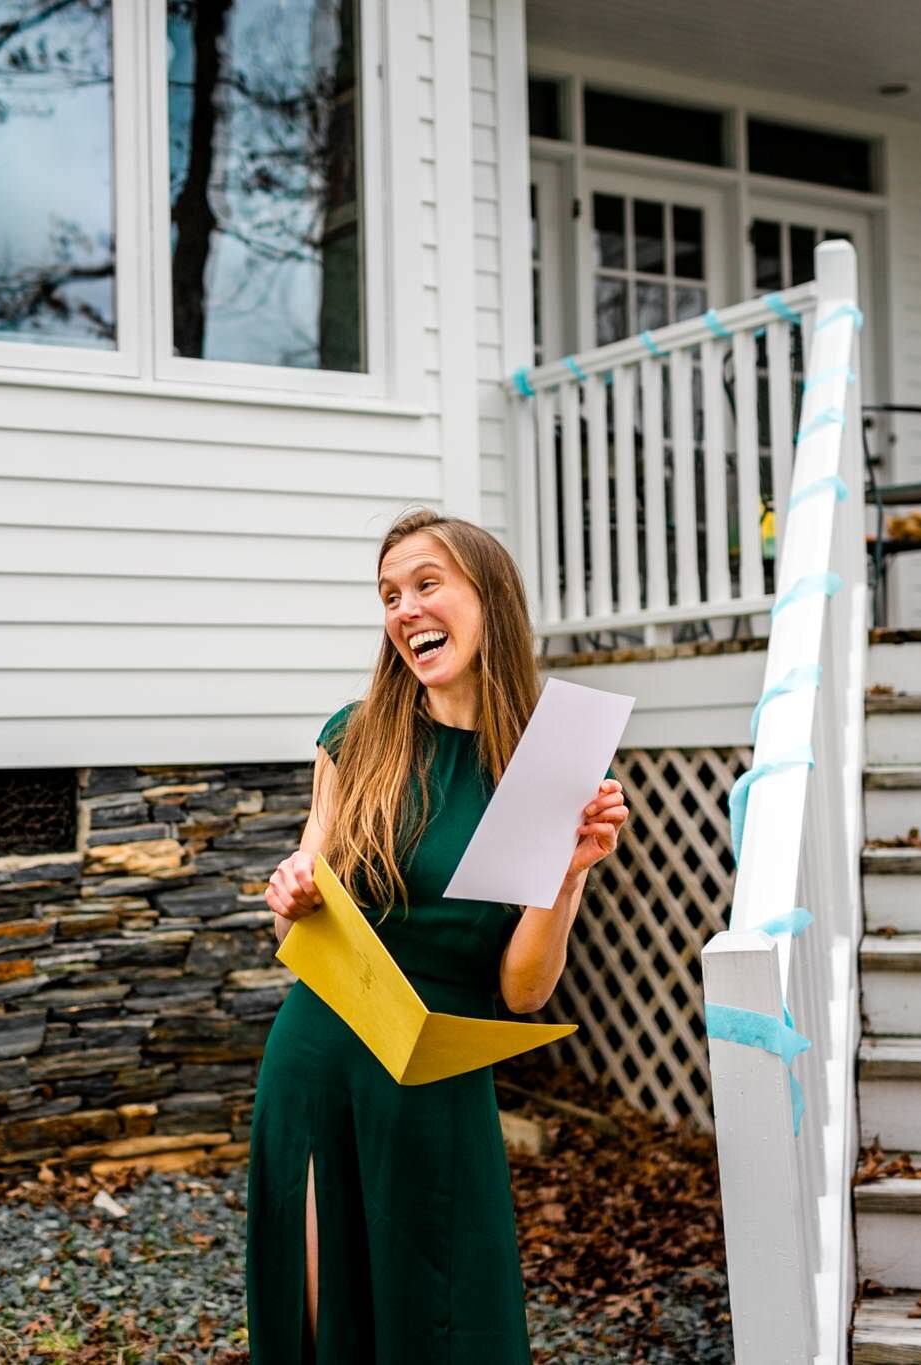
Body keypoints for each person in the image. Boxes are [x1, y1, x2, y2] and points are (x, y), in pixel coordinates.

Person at [245, 508, 628, 1364]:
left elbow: (523, 990)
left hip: (436, 1074)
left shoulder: (545, 766)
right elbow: (296, 900)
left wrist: (567, 876)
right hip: (321, 1057)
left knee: (443, 1324)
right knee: (318, 1330)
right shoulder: (358, 735)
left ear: (486, 597)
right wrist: (290, 888)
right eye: (389, 594)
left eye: (426, 583)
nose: (405, 608)